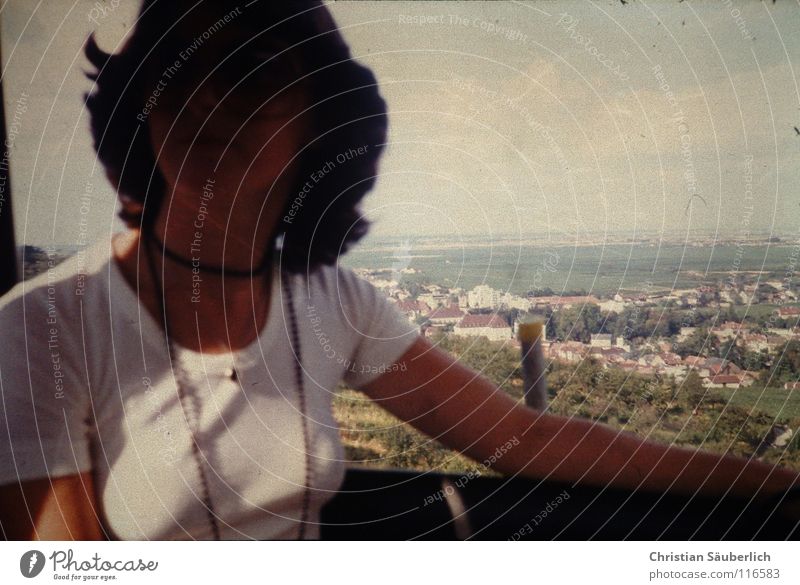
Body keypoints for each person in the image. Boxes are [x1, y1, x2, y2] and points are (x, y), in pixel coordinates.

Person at [0, 0, 797, 541]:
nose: (217, 103)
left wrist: (774, 485)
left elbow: (519, 435)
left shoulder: (331, 301)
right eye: (188, 70)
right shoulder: (40, 328)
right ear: (145, 105)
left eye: (259, 79)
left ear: (318, 127)